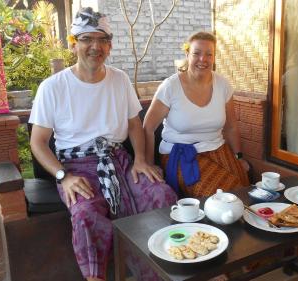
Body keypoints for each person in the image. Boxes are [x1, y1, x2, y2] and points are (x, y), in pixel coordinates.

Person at [29, 8, 177, 281]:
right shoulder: (52, 87)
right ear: (73, 44)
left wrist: (141, 160)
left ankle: (169, 267)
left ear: (109, 45)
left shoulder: (119, 79)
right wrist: (63, 177)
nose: (95, 46)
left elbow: (134, 123)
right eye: (86, 39)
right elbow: (38, 143)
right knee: (85, 213)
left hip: (118, 159)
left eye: (102, 40)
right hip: (75, 166)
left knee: (161, 194)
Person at [143, 31, 250, 198]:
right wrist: (148, 164)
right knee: (221, 197)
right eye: (197, 53)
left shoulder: (223, 84)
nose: (203, 59)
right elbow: (148, 128)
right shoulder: (170, 86)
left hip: (217, 148)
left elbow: (231, 127)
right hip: (180, 153)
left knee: (245, 188)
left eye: (209, 54)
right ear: (187, 54)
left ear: (214, 57)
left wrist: (239, 157)